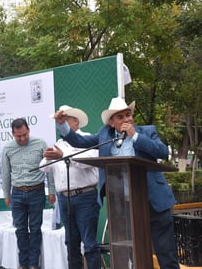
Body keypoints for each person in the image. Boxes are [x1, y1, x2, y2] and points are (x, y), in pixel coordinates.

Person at [54, 97, 180, 269]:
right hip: (123, 206)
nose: (126, 119)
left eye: (128, 115)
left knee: (165, 254)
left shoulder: (147, 131)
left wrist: (134, 136)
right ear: (111, 122)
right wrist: (63, 125)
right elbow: (80, 142)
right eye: (120, 117)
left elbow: (163, 152)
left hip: (154, 202)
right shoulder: (105, 135)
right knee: (131, 253)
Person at [40, 105, 101, 269]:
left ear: (76, 122)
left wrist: (63, 155)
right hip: (64, 198)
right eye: (60, 122)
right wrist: (48, 157)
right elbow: (43, 168)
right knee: (70, 241)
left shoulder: (89, 138)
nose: (62, 124)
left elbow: (88, 162)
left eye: (65, 120)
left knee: (89, 242)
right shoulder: (58, 143)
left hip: (85, 196)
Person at [1, 118, 56, 269]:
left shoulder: (40, 143)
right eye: (18, 136)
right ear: (12, 134)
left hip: (36, 192)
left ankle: (33, 265)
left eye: (25, 134)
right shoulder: (8, 148)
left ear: (29, 130)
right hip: (17, 194)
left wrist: (51, 191)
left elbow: (49, 169)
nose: (22, 138)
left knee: (36, 229)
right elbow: (5, 173)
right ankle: (23, 264)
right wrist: (6, 194)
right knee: (20, 230)